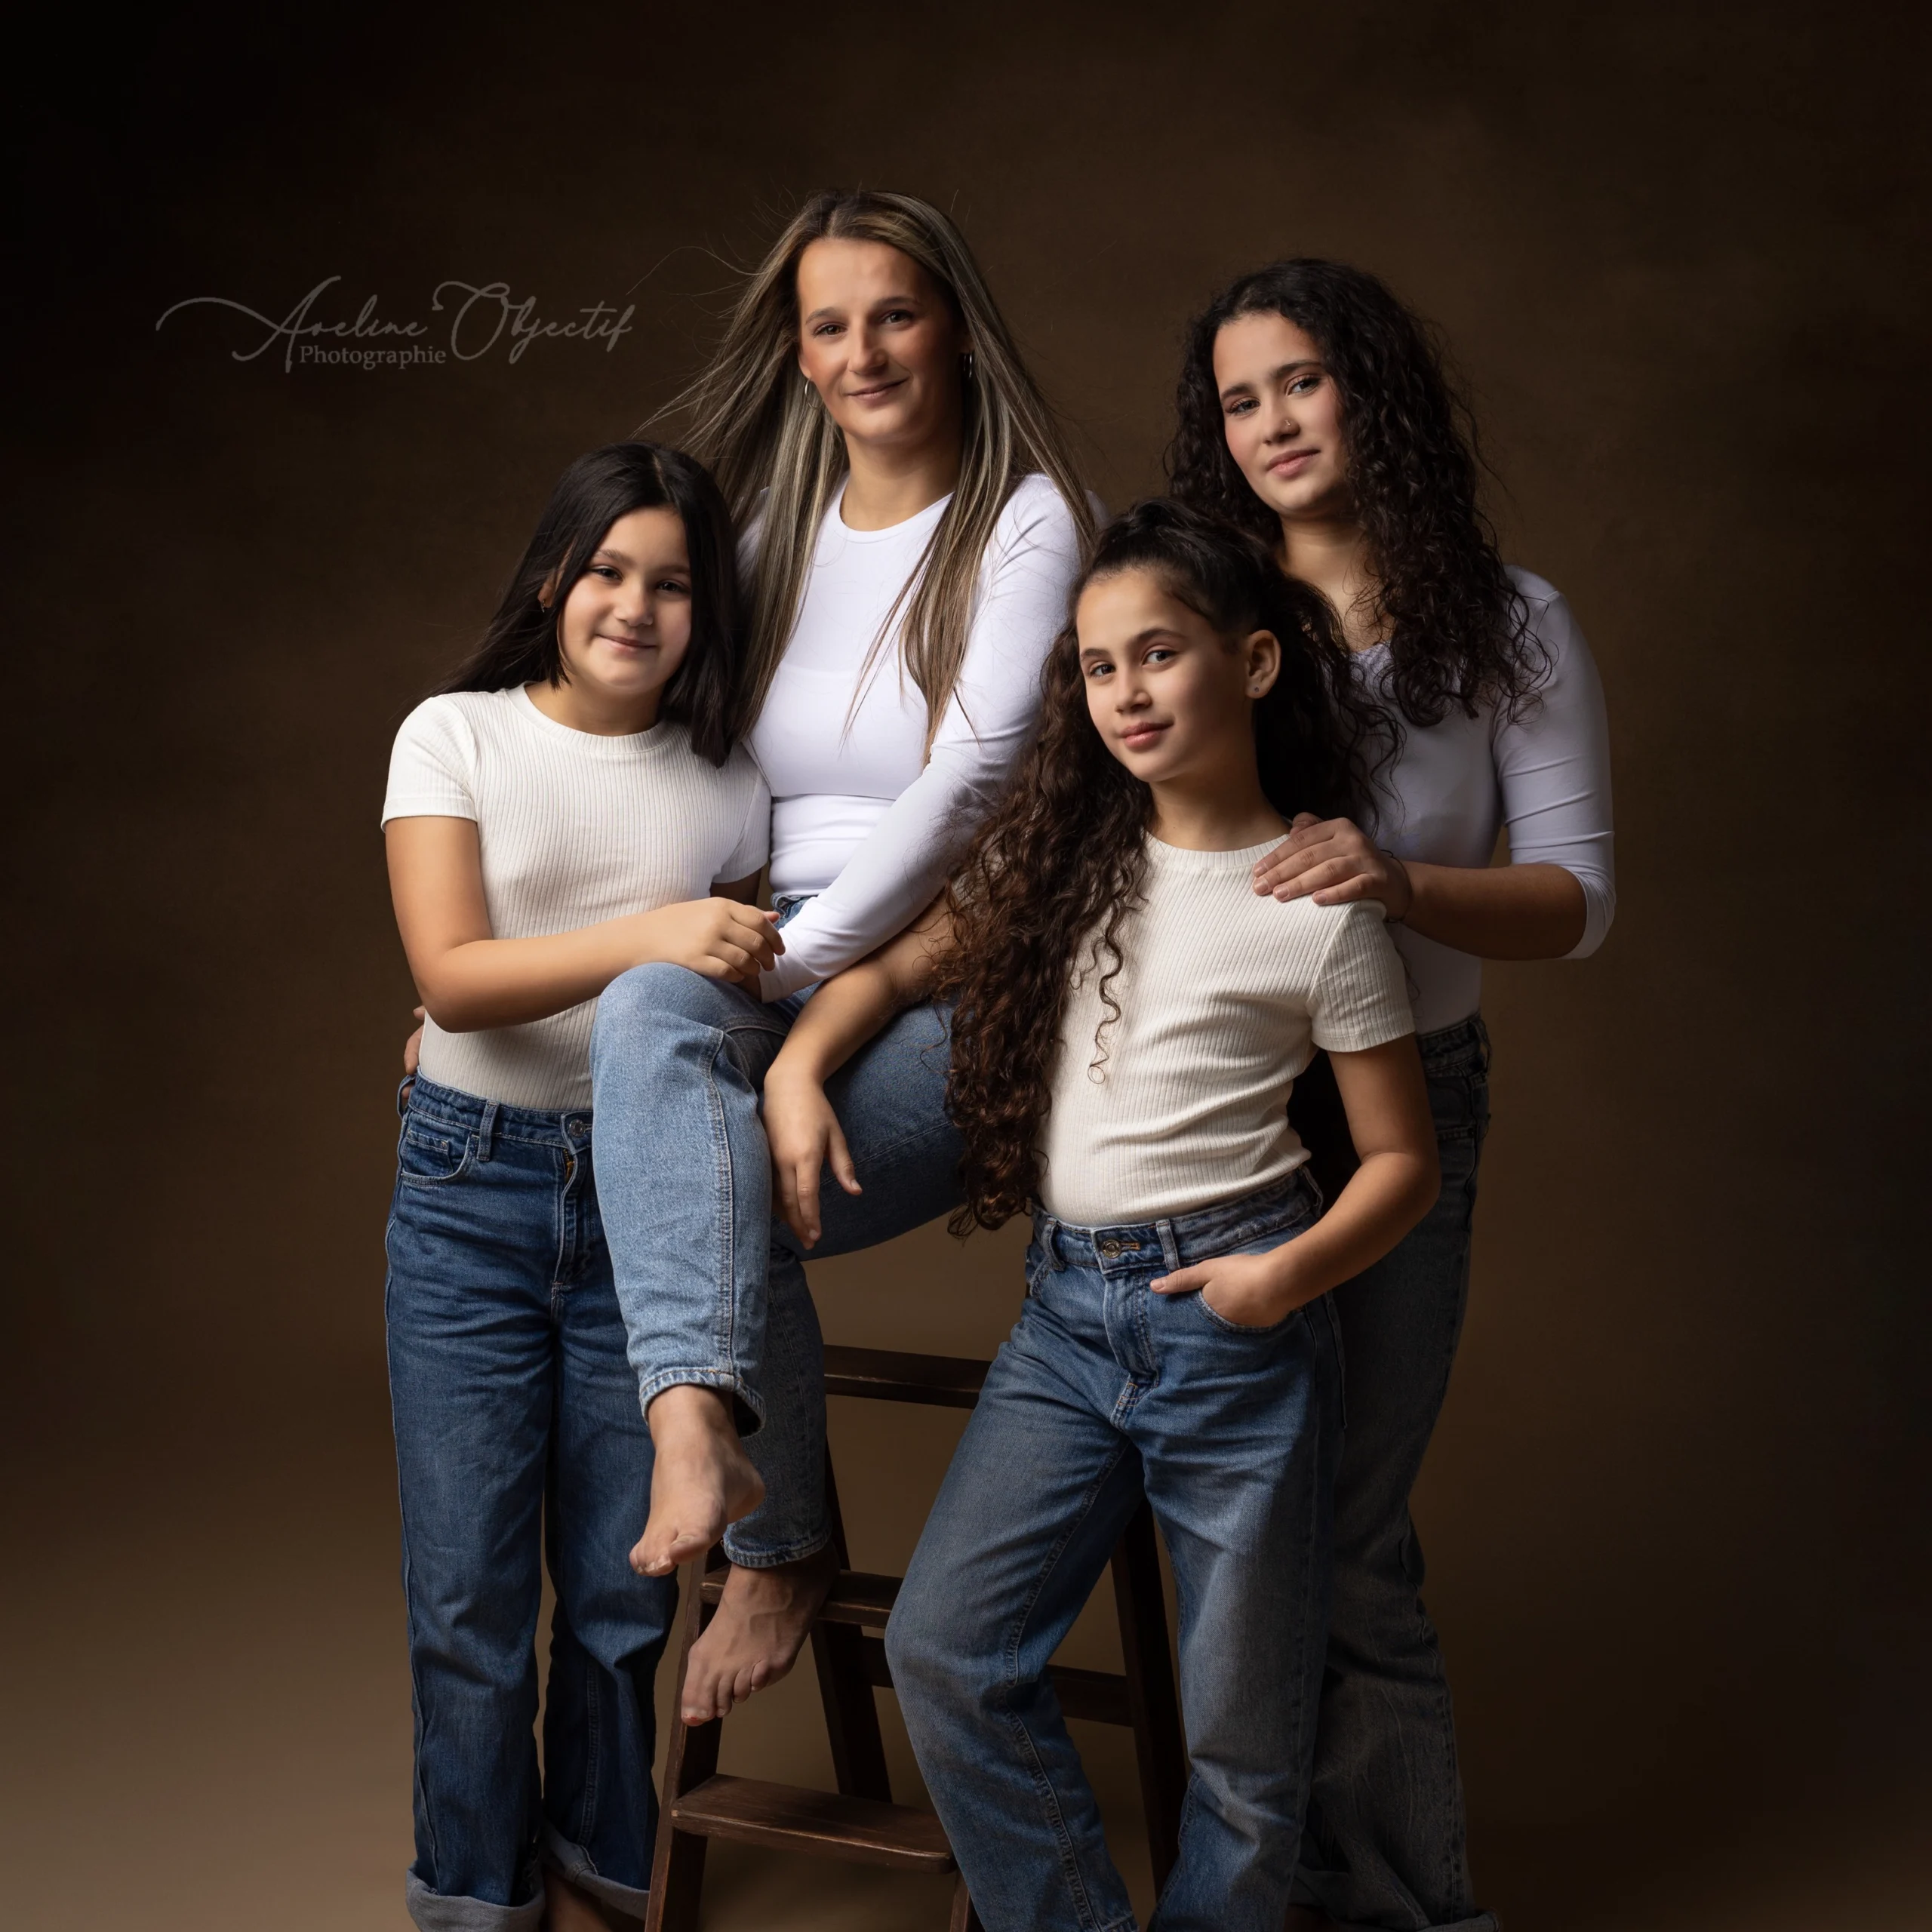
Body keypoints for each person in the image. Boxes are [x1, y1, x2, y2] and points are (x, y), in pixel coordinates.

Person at [760, 499, 1440, 1931]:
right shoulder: (1070, 862)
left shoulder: (1318, 901)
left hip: (1235, 1328)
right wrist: (805, 1066)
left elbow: (1400, 1166)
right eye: (1095, 665)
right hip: (1068, 1324)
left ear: (1252, 664)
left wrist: (1283, 1282)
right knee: (949, 1649)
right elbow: (881, 975)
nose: (1124, 693)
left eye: (1159, 656)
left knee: (1247, 1757)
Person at [585, 189, 1093, 1724]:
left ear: (951, 324)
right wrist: (508, 970)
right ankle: (730, 1473)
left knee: (703, 1174)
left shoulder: (1024, 520)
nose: (863, 349)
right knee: (646, 1042)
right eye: (828, 324)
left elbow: (977, 779)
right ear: (798, 356)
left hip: (952, 980)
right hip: (766, 967)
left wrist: (797, 974)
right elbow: (674, 768)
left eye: (894, 312)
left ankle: (769, 1530)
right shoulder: (764, 533)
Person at [1169, 258, 1616, 1932]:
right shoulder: (1200, 604)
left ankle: (1411, 1910)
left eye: (1300, 380)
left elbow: (1578, 897)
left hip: (1403, 1098)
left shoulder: (1508, 620)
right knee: (1223, 1519)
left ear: (1369, 387)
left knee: (1348, 1527)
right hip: (1202, 1109)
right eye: (1237, 398)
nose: (1271, 422)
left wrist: (1398, 883)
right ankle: (1248, 1894)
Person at [381, 442, 774, 1931]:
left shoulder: (731, 783)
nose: (633, 604)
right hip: (467, 1195)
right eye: (606, 568)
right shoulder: (455, 734)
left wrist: (700, 948)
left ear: (703, 611)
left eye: (671, 582)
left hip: (649, 1211)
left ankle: (610, 1862)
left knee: (621, 1597)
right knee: (470, 1604)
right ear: (553, 576)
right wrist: (663, 927)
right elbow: (452, 977)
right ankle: (475, 1895)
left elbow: (746, 990)